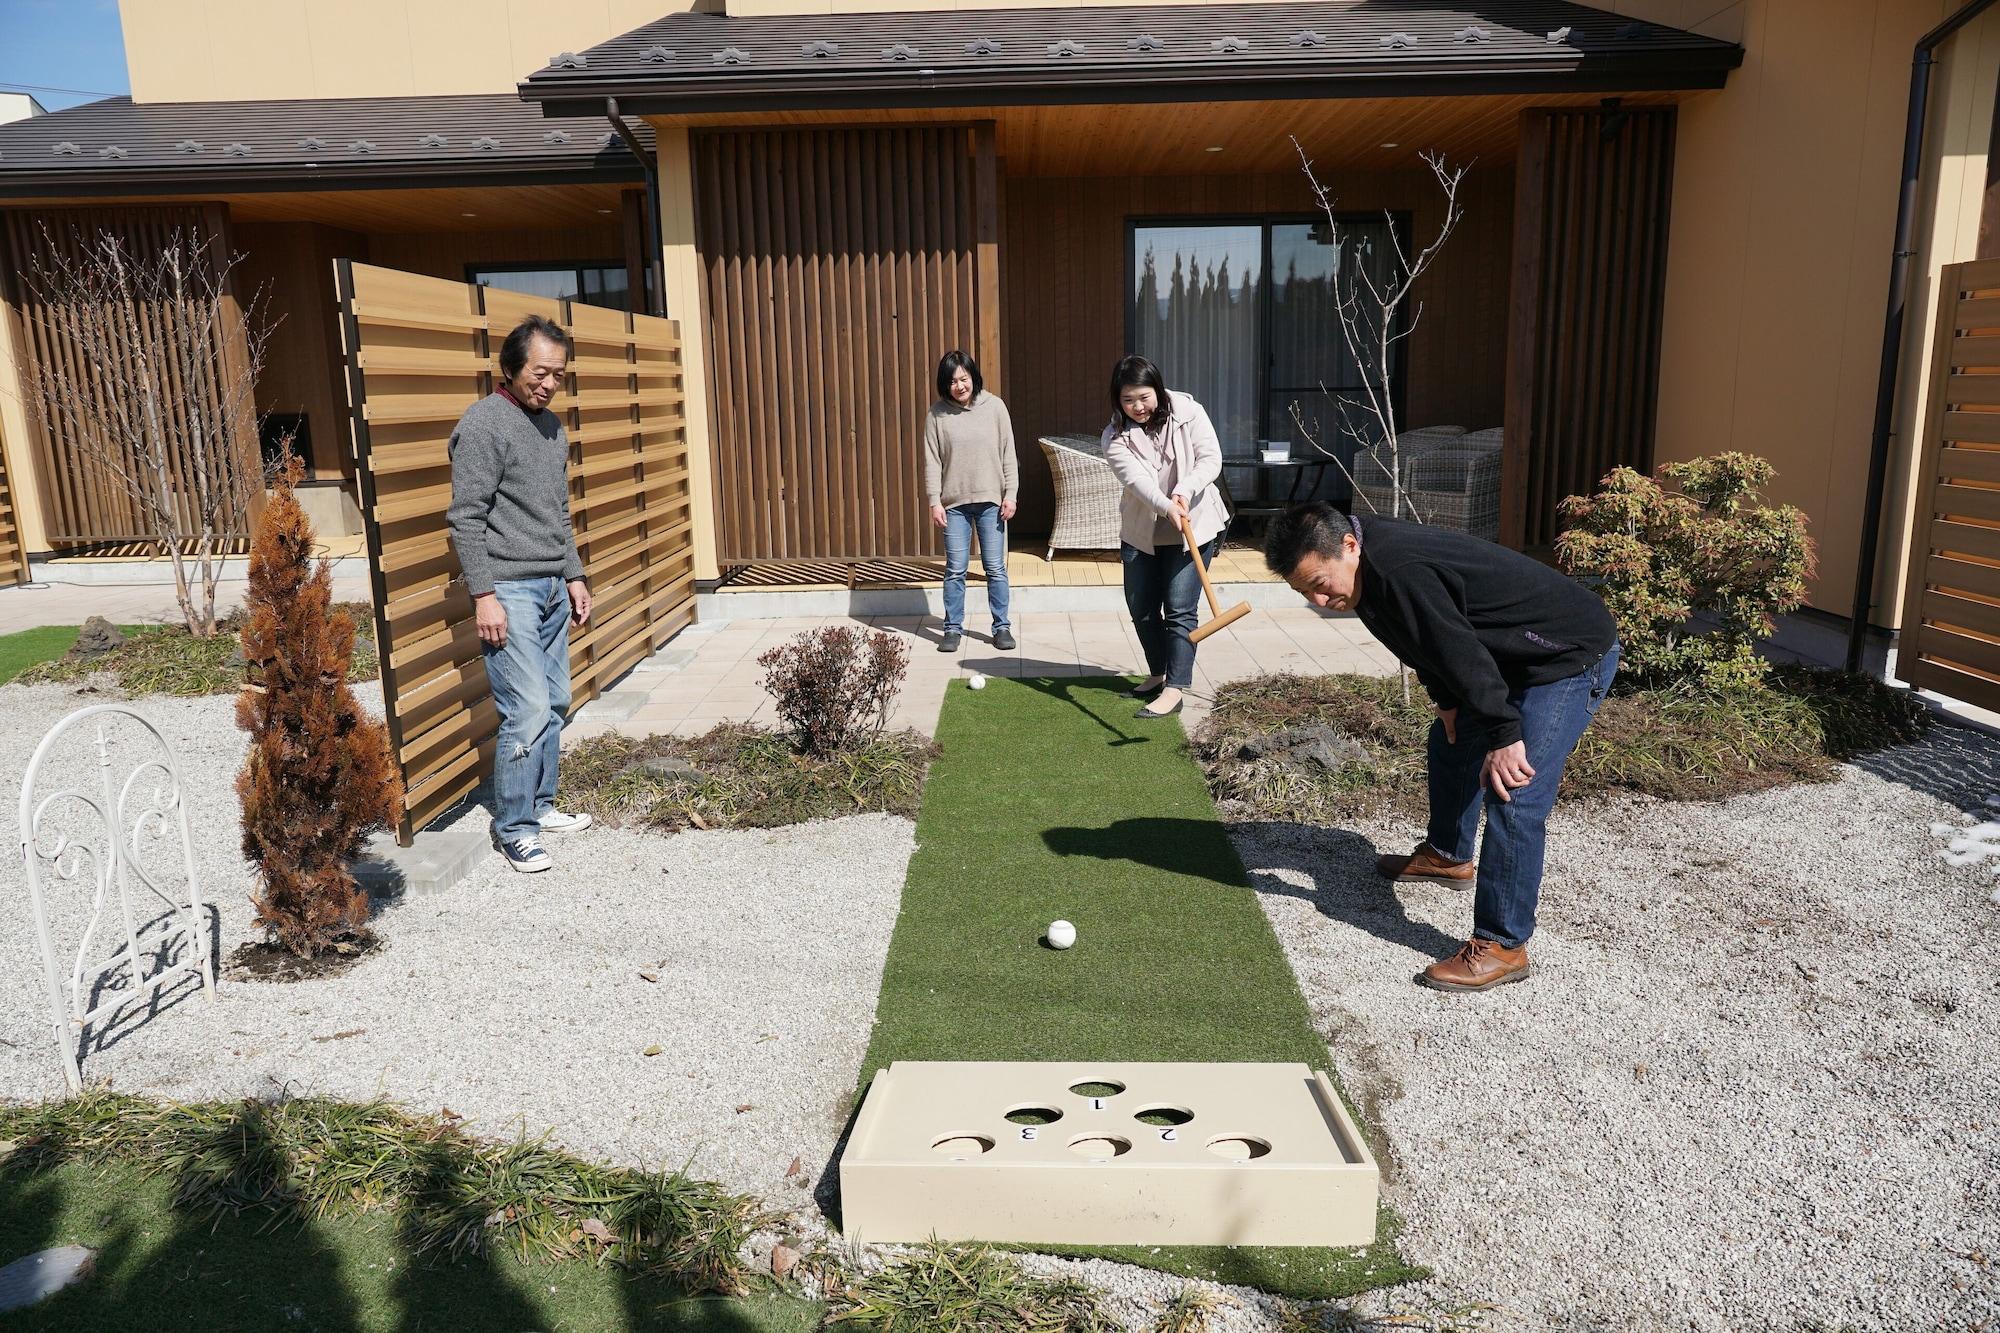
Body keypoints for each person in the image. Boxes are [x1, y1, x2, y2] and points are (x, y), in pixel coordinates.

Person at [1263, 503, 1621, 992]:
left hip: (1564, 655)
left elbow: (1456, 647)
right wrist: (1448, 701)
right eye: (1305, 592)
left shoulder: (1400, 568)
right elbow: (1420, 640)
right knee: (1451, 740)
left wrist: (1503, 734)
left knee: (1513, 788)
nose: (1320, 600)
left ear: (1349, 546)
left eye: (1320, 584)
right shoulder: (1365, 572)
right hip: (1505, 655)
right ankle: (1448, 856)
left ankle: (1503, 944)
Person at [446, 314, 595, 874]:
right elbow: (465, 518)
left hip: (554, 586)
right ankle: (514, 828)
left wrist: (574, 574)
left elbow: (557, 513)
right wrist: (483, 594)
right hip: (508, 590)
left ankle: (540, 805)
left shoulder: (552, 428)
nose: (549, 383)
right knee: (526, 708)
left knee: (554, 702)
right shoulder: (485, 425)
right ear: (509, 367)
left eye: (558, 374)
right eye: (540, 371)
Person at [1101, 354, 1231, 720]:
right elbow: (1137, 482)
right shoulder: (1114, 437)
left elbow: (1211, 459)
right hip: (1144, 530)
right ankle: (1157, 672)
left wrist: (1185, 492)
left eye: (1143, 397)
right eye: (1128, 400)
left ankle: (1175, 687)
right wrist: (1167, 505)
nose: (1137, 407)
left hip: (1196, 524)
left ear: (1157, 389)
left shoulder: (1189, 413)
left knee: (1179, 609)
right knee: (1141, 609)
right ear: (1117, 400)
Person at [924, 350, 1017, 654]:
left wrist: (1011, 494)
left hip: (992, 501)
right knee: (955, 569)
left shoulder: (995, 407)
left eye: (964, 378)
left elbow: (1008, 455)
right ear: (944, 384)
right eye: (952, 381)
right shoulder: (937, 415)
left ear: (973, 377)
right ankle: (952, 629)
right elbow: (932, 462)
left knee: (995, 568)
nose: (959, 385)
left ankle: (1001, 627)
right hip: (954, 505)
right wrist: (934, 501)